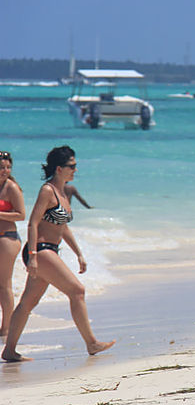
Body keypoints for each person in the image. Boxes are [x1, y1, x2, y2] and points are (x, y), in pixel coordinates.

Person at [1, 146, 114, 362]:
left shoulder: (63, 191)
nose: (75, 169)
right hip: (41, 250)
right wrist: (32, 255)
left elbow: (63, 227)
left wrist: (79, 253)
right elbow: (33, 223)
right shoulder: (48, 191)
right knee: (77, 291)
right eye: (72, 166)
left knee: (28, 303)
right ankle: (91, 342)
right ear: (60, 168)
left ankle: (9, 350)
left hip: (51, 250)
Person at [0, 151, 25, 342]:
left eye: (8, 167)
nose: (5, 171)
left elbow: (21, 214)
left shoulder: (12, 188)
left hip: (7, 238)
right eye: (2, 167)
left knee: (4, 284)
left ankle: (6, 327)